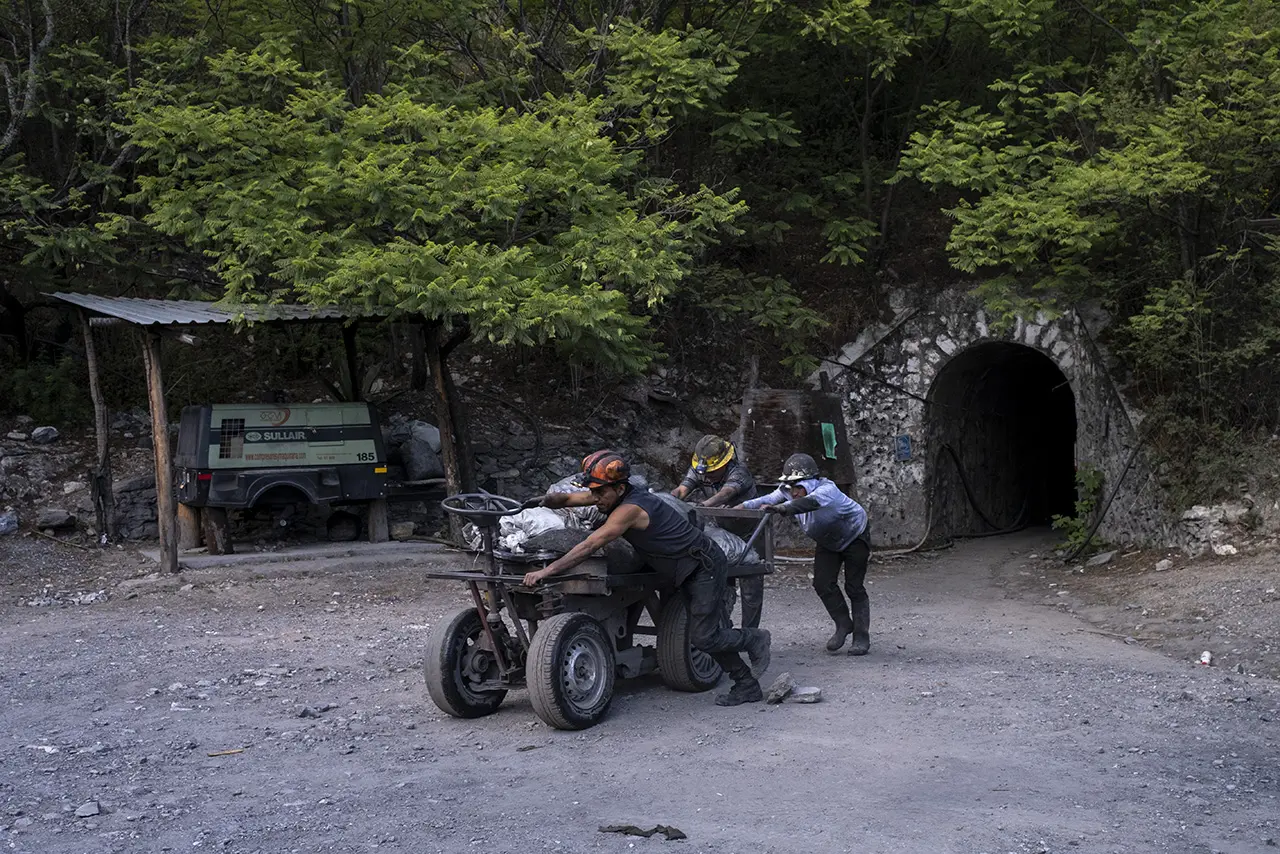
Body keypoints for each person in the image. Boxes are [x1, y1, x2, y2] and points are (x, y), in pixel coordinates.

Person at [522, 450, 773, 706]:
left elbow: (591, 544)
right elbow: (571, 498)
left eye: (600, 493)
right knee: (706, 634)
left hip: (703, 566)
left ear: (620, 488)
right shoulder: (612, 495)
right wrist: (543, 500)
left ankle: (755, 638)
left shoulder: (631, 509)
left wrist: (547, 571)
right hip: (685, 570)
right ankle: (746, 685)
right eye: (593, 492)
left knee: (704, 637)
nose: (594, 499)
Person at [738, 452, 872, 655]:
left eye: (799, 487)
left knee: (854, 587)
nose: (795, 492)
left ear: (811, 482)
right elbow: (767, 498)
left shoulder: (827, 489)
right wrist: (741, 507)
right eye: (791, 487)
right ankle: (843, 623)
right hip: (828, 540)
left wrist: (781, 509)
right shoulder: (788, 491)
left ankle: (861, 636)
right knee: (822, 583)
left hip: (855, 536)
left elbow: (809, 503)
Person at [670, 435, 764, 629]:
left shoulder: (739, 473)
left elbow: (725, 494)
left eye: (713, 471)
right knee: (720, 582)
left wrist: (701, 506)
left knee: (751, 589)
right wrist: (668, 501)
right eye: (705, 471)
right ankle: (722, 629)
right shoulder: (700, 470)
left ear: (726, 462)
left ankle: (750, 632)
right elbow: (681, 490)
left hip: (750, 533)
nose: (708, 476)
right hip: (722, 533)